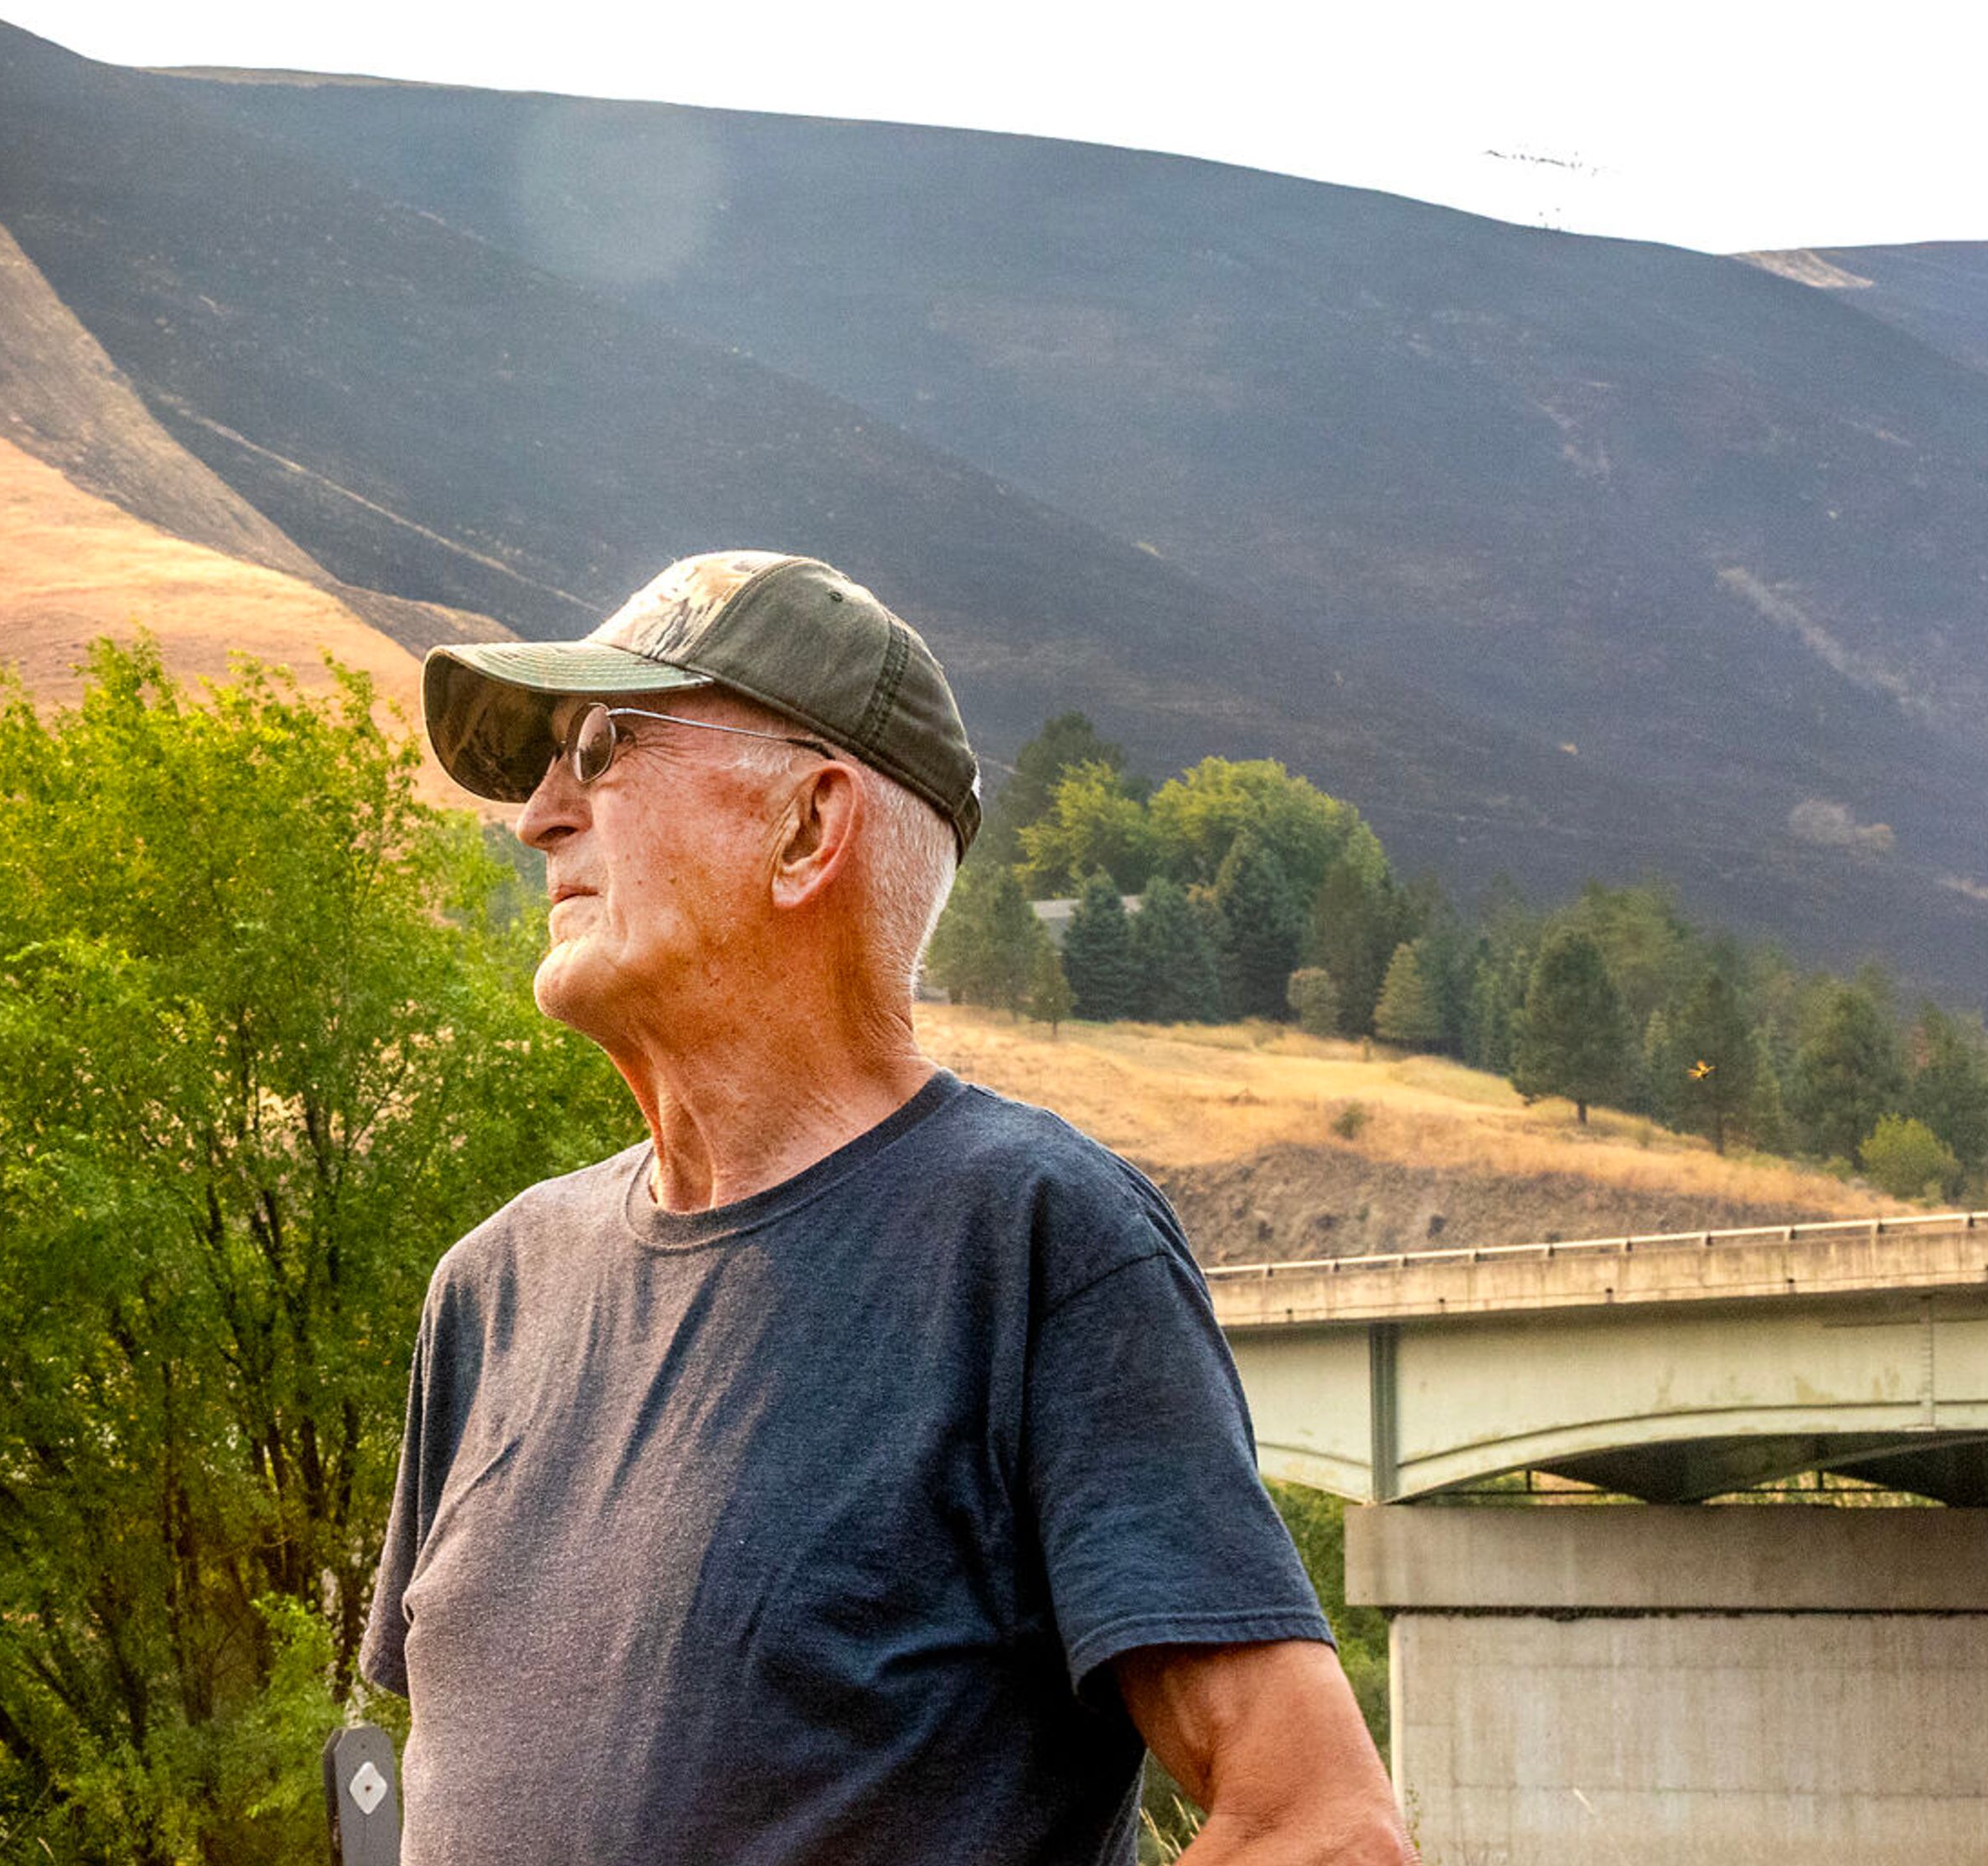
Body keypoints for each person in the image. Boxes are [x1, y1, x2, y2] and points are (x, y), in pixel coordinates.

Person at [364, 550, 1411, 1864]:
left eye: (603, 741)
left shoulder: (1036, 1242)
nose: (539, 815)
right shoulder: (490, 1291)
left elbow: (1323, 1824)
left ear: (807, 825)